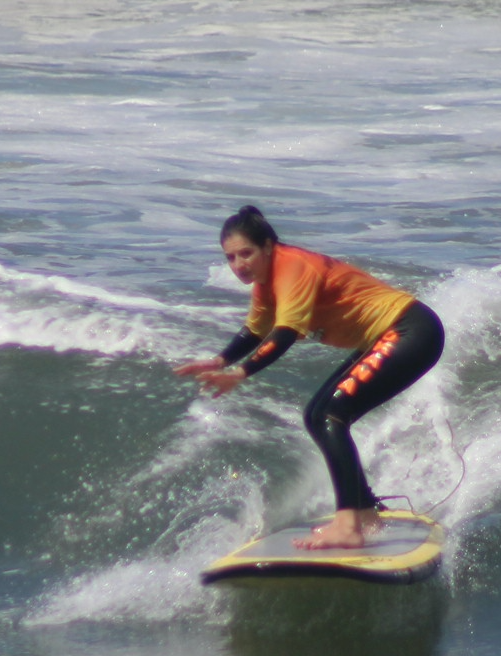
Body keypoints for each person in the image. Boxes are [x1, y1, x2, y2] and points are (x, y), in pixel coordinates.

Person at [175, 206, 444, 550]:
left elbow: (284, 333)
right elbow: (256, 330)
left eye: (246, 253)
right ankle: (366, 513)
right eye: (230, 257)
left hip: (409, 331)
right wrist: (220, 360)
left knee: (331, 415)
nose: (238, 264)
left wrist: (240, 373)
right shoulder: (265, 283)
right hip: (388, 337)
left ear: (268, 246)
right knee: (317, 416)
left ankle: (348, 525)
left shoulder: (292, 266)